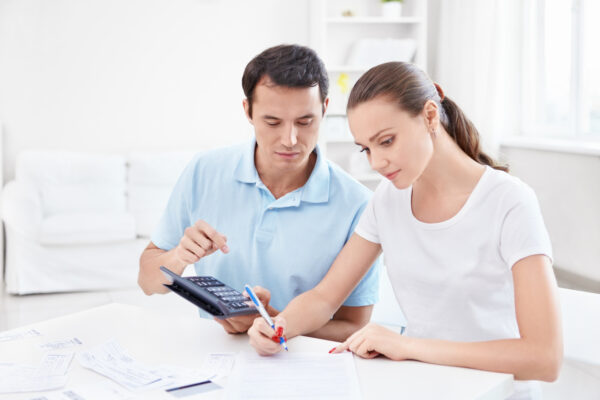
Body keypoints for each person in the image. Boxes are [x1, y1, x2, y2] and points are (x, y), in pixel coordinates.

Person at [248, 61, 562, 399]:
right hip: (421, 386)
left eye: (386, 141)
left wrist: (409, 346)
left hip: (495, 391)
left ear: (429, 116)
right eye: (366, 149)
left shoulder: (509, 201)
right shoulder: (388, 200)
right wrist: (279, 326)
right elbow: (325, 297)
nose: (376, 163)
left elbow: (543, 358)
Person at [137, 44, 380, 341]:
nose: (290, 139)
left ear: (325, 109)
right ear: (248, 111)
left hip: (302, 361)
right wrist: (178, 258)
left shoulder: (357, 204)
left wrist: (271, 322)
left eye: (305, 122)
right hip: (214, 354)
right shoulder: (204, 171)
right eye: (272, 122)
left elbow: (354, 328)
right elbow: (147, 281)